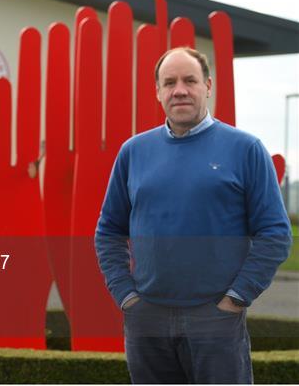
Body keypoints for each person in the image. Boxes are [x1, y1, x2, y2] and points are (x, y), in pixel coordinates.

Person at [95, 47, 291, 384]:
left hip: (215, 317)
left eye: (190, 80)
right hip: (147, 319)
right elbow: (108, 231)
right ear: (158, 92)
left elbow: (275, 233)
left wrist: (236, 298)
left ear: (208, 85)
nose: (179, 90)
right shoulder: (133, 152)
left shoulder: (245, 149)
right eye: (169, 82)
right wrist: (127, 297)